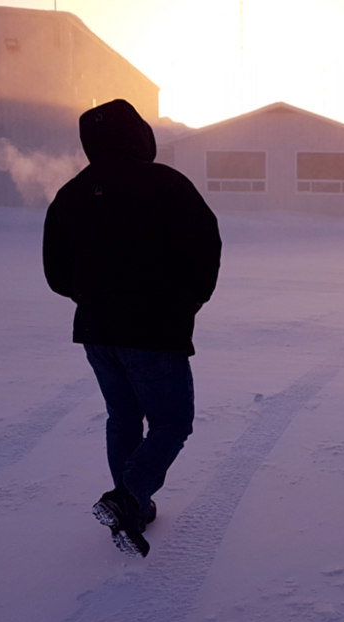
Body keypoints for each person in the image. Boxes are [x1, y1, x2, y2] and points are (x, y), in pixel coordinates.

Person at [43, 99, 221, 558]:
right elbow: (204, 246)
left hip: (98, 331)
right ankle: (128, 497)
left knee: (123, 418)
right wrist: (192, 299)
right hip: (155, 329)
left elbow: (56, 273)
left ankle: (132, 506)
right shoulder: (166, 185)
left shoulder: (70, 194)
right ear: (139, 134)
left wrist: (94, 297)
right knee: (171, 420)